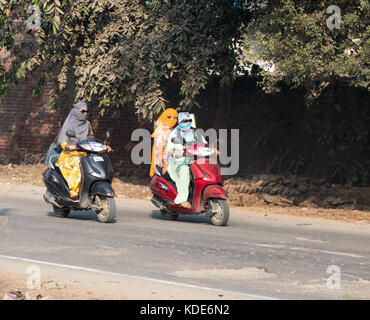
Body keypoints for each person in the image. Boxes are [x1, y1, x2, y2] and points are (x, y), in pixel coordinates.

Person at [55, 102, 93, 199]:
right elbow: (62, 140)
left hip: (84, 153)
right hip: (69, 154)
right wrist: (67, 146)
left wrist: (102, 146)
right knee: (78, 164)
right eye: (82, 111)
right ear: (76, 112)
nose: (85, 114)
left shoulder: (87, 124)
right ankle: (73, 192)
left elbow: (91, 138)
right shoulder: (69, 123)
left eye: (86, 111)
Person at [165, 112, 196, 208]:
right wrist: (174, 153)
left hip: (194, 162)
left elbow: (203, 143)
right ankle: (181, 199)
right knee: (185, 170)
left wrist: (213, 149)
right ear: (180, 122)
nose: (187, 122)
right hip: (178, 164)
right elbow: (169, 150)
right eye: (184, 121)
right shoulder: (174, 134)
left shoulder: (194, 133)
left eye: (189, 120)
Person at [149, 108, 178, 177]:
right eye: (169, 117)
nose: (173, 120)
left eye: (175, 118)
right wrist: (164, 163)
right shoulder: (162, 130)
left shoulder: (168, 128)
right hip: (162, 162)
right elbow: (159, 149)